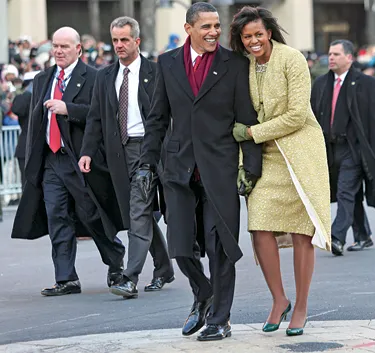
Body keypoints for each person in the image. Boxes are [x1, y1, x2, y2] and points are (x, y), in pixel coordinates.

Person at [136, 2, 262, 341]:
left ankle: (220, 318)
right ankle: (203, 293)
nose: (213, 32)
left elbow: (246, 117)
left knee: (220, 247)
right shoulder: (167, 63)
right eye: (206, 26)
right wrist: (148, 163)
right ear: (189, 27)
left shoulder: (234, 64)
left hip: (219, 170)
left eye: (217, 26)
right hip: (178, 169)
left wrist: (251, 168)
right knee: (179, 247)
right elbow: (158, 118)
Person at [229, 7, 331, 337]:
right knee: (260, 228)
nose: (254, 41)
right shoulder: (241, 64)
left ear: (269, 32)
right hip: (264, 157)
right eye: (247, 36)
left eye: (258, 34)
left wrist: (250, 133)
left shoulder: (292, 59)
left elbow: (297, 115)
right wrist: (247, 150)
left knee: (302, 233)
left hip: (300, 151)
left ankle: (300, 306)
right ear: (241, 40)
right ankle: (279, 299)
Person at [11, 27, 126, 296]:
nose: (59, 51)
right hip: (52, 160)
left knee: (91, 215)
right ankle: (66, 278)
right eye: (55, 46)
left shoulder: (94, 77)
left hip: (80, 159)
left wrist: (68, 109)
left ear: (78, 50)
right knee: (56, 217)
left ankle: (116, 260)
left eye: (65, 46)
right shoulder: (43, 79)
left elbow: (104, 115)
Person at [79, 17, 174, 299]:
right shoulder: (104, 76)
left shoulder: (156, 73)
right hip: (120, 152)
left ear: (137, 41)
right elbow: (95, 117)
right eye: (115, 40)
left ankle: (130, 277)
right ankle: (164, 269)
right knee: (140, 212)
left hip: (150, 149)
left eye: (124, 40)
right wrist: (86, 151)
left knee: (137, 211)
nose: (119, 45)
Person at [311, 39, 375, 255]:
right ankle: (363, 236)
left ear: (349, 58)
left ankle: (336, 237)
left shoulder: (366, 83)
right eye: (330, 54)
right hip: (330, 149)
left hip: (354, 148)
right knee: (352, 193)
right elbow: (312, 116)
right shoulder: (321, 83)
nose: (331, 58)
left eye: (336, 54)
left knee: (345, 191)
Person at [11, 70, 41, 186]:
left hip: (45, 150)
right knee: (28, 186)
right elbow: (17, 109)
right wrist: (29, 92)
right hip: (26, 147)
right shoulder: (24, 98)